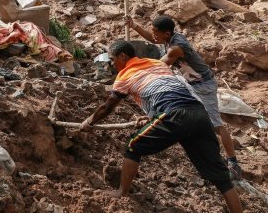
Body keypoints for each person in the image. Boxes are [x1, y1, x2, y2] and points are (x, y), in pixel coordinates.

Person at [79, 41, 243, 212]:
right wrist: (152, 118)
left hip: (175, 114)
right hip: (199, 113)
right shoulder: (156, 63)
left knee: (133, 145)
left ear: (123, 56)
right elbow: (163, 90)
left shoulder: (125, 75)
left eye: (112, 60)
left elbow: (108, 107)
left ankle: (121, 192)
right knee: (221, 177)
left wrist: (89, 121)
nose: (111, 64)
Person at [126, 16, 243, 181]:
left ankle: (233, 163)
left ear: (167, 33)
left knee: (215, 125)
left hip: (204, 86)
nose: (154, 37)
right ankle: (154, 116)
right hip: (188, 82)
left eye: (156, 33)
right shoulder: (168, 37)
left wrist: (132, 74)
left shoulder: (177, 48)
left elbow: (159, 66)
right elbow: (152, 38)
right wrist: (134, 26)